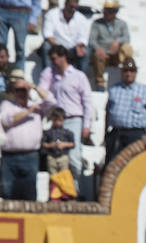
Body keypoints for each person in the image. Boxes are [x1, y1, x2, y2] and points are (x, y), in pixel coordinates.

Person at [38, 44, 92, 192]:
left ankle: (74, 190)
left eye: (55, 58)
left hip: (74, 119)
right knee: (56, 157)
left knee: (74, 157)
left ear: (63, 58)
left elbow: (87, 101)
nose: (53, 62)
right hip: (58, 121)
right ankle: (61, 191)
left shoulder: (78, 76)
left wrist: (86, 125)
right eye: (51, 59)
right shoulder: (53, 78)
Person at [0, 73, 55, 201]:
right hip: (10, 157)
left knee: (29, 194)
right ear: (13, 91)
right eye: (18, 90)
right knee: (8, 192)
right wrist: (29, 111)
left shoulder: (36, 106)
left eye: (24, 90)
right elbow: (8, 120)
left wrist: (34, 86)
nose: (21, 93)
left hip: (31, 156)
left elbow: (51, 102)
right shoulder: (7, 105)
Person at [104, 57, 146, 167]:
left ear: (136, 72)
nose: (129, 73)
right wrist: (105, 134)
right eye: (126, 70)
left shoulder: (143, 91)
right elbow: (108, 112)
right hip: (116, 133)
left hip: (135, 134)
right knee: (111, 165)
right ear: (121, 72)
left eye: (132, 70)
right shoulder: (114, 90)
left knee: (134, 165)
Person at [88, 0, 132, 91]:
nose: (107, 13)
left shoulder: (122, 24)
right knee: (97, 54)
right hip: (102, 55)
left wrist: (117, 42)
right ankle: (100, 83)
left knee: (127, 48)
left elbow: (127, 38)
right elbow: (91, 40)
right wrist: (98, 48)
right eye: (106, 10)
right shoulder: (97, 23)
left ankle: (127, 74)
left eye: (110, 10)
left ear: (116, 11)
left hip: (116, 56)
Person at [41, 0, 90, 72]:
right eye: (71, 7)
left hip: (72, 49)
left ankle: (80, 78)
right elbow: (47, 35)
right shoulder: (52, 14)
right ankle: (48, 75)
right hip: (55, 47)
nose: (73, 10)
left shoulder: (81, 18)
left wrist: (79, 46)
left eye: (75, 8)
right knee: (46, 46)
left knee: (86, 51)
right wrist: (59, 48)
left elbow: (83, 38)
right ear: (65, 4)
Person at [0, 0, 41, 71]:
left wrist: (33, 19)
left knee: (20, 48)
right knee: (1, 47)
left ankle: (19, 75)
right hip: (2, 9)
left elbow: (37, 2)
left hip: (21, 11)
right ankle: (2, 72)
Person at [42, 106, 74, 176]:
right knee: (53, 177)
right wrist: (51, 145)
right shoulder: (48, 132)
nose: (57, 122)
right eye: (55, 120)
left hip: (63, 157)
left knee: (64, 176)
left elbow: (72, 144)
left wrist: (64, 144)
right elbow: (43, 144)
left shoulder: (67, 132)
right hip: (51, 157)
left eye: (60, 120)